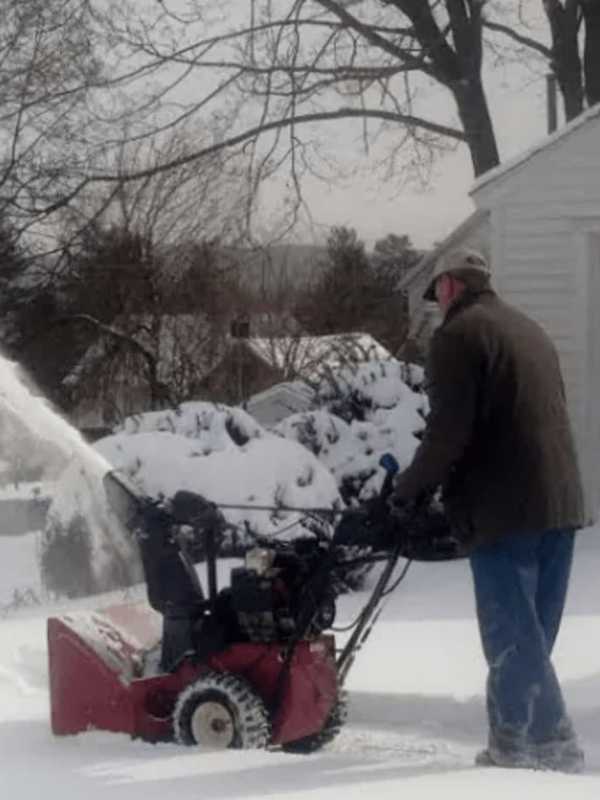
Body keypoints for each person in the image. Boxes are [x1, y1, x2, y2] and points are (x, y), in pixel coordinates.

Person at [389, 247, 586, 773]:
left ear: (450, 286)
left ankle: (548, 741)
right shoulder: (530, 329)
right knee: (531, 636)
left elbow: (449, 430)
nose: (437, 306)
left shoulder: (457, 336)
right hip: (561, 502)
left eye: (437, 295)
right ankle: (520, 740)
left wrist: (409, 490)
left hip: (504, 508)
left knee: (511, 634)